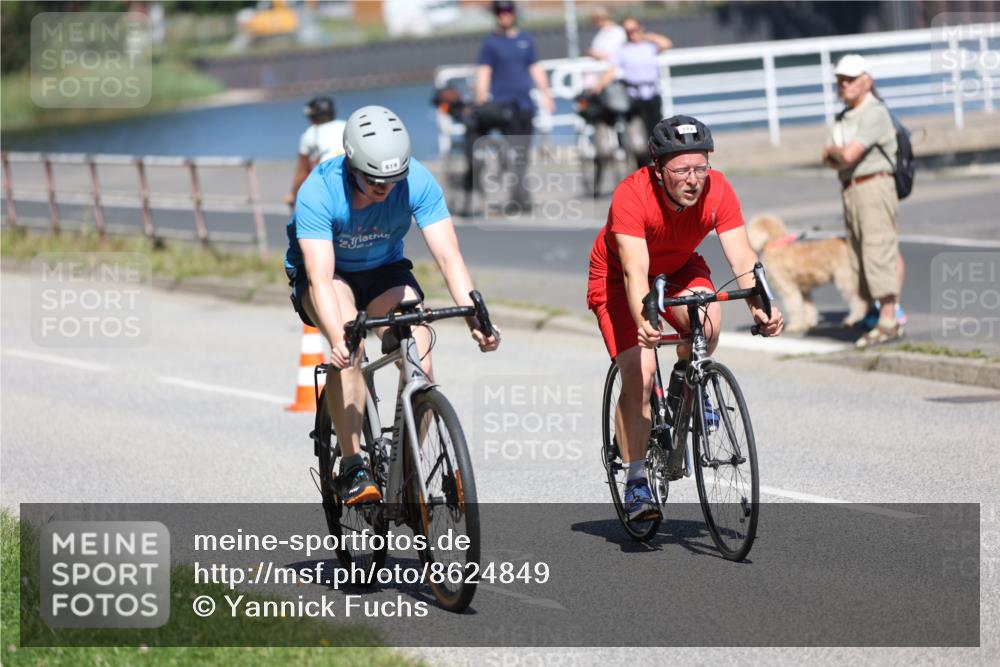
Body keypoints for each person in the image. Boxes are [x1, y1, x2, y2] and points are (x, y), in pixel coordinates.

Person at [285, 105, 500, 505]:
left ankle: (410, 468)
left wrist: (475, 314)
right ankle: (352, 465)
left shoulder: (416, 179)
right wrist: (337, 337)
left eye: (392, 178)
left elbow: (449, 257)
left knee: (421, 353)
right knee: (350, 348)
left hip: (384, 271)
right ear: (351, 163)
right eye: (374, 180)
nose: (384, 187)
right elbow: (319, 276)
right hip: (331, 276)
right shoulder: (319, 190)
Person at [586, 115, 784, 522]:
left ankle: (688, 388)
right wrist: (645, 312)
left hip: (677, 268)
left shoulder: (719, 189)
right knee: (639, 376)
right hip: (619, 278)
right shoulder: (631, 195)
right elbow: (633, 268)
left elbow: (742, 256)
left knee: (707, 323)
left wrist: (760, 303)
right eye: (682, 171)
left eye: (700, 168)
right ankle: (637, 481)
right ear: (658, 171)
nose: (694, 179)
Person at [822, 54, 903, 347]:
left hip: (874, 185)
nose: (844, 85)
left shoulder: (874, 112)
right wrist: (837, 154)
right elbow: (827, 157)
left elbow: (846, 155)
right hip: (850, 187)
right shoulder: (844, 117)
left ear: (866, 81)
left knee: (878, 248)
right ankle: (872, 313)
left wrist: (837, 153)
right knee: (857, 251)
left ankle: (890, 319)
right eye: (840, 80)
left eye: (850, 79)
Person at [463, 0, 555, 214]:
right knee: (512, 153)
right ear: (496, 15)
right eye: (499, 11)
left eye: (507, 11)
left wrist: (547, 95)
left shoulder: (526, 40)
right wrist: (479, 100)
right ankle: (518, 198)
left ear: (513, 13)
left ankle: (522, 198)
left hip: (525, 105)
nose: (504, 15)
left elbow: (535, 68)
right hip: (502, 107)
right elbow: (484, 72)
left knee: (523, 155)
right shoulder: (491, 42)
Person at [593, 17, 672, 168]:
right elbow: (612, 70)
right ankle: (642, 167)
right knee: (639, 136)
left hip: (652, 94)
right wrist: (599, 86)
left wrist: (647, 36)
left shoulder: (649, 46)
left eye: (634, 30)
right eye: (628, 31)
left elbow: (666, 44)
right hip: (634, 98)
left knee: (656, 130)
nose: (632, 34)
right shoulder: (622, 50)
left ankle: (658, 163)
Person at [286, 96, 346, 208]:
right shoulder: (345, 125)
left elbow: (302, 171)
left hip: (327, 181)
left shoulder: (310, 133)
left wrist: (292, 194)